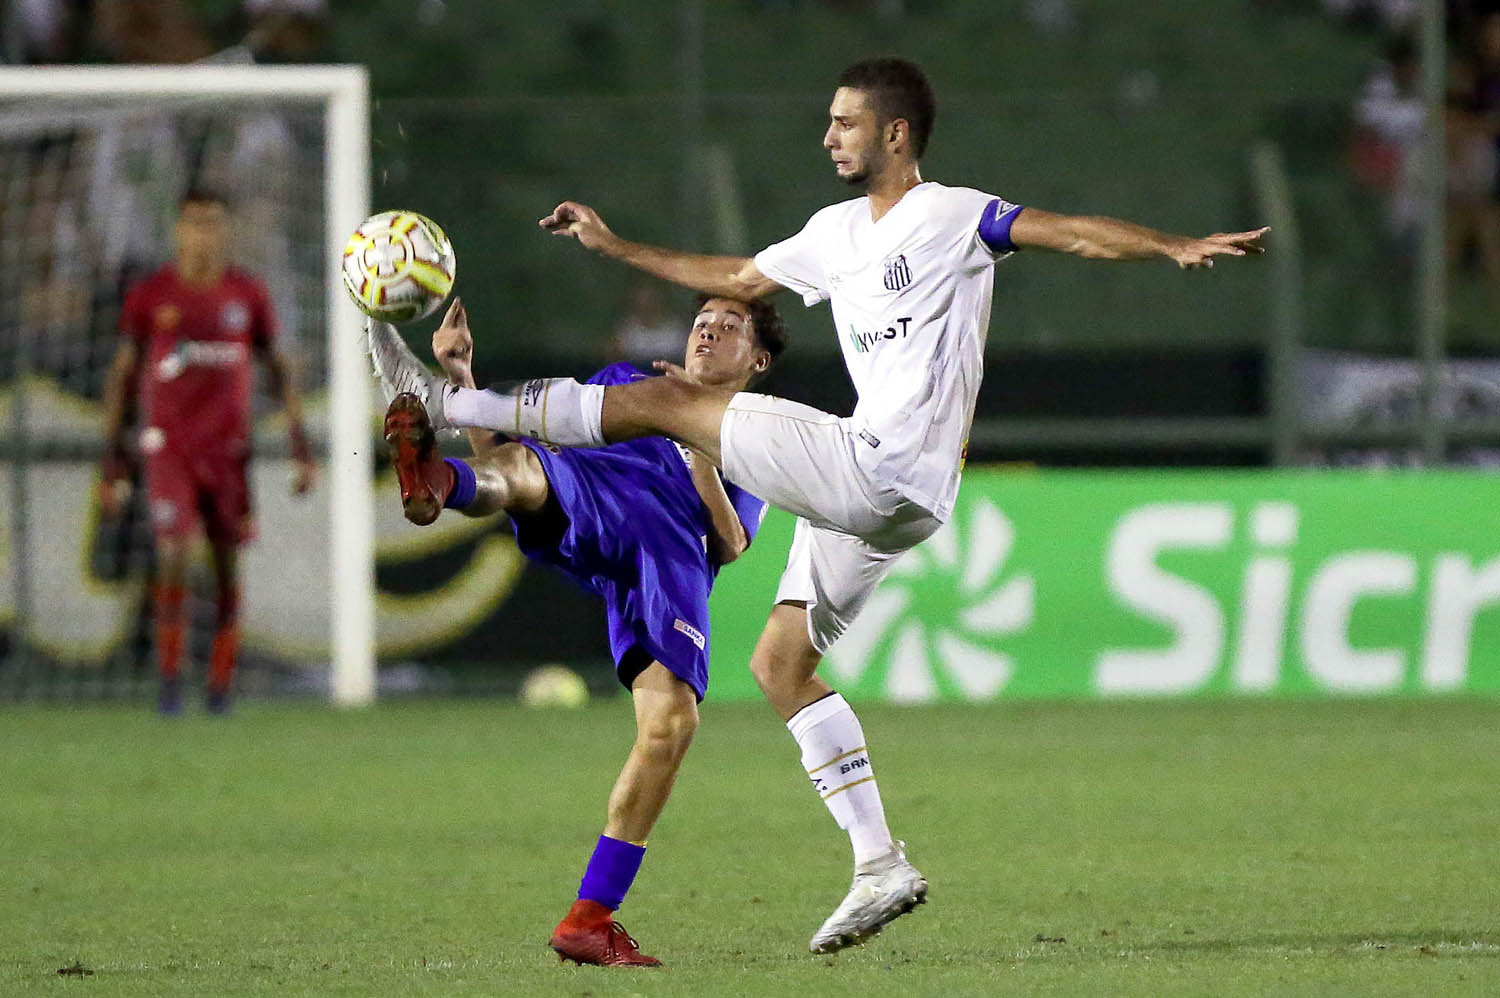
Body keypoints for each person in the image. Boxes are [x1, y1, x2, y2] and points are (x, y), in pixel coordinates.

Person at [373, 56, 1268, 954]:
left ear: (894, 134)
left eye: (844, 122)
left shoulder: (952, 215)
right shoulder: (835, 233)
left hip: (883, 470)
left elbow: (1069, 231)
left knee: (673, 402)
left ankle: (447, 404)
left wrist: (1168, 245)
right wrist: (618, 247)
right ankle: (880, 863)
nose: (828, 135)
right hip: (891, 496)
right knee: (778, 663)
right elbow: (736, 271)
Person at [370, 293, 784, 967]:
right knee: (525, 467)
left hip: (664, 554)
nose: (707, 330)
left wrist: (695, 438)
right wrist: (468, 382)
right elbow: (517, 450)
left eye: (729, 326)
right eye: (702, 321)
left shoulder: (755, 433)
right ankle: (434, 482)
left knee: (670, 725)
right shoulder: (626, 383)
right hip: (591, 495)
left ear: (757, 360)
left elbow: (732, 541)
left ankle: (588, 920)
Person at [99, 186, 316, 715]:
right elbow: (122, 378)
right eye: (195, 222)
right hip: (169, 450)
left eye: (214, 222)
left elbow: (278, 369)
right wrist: (112, 463)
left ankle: (219, 686)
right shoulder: (152, 296)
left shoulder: (247, 294)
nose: (205, 232)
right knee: (172, 556)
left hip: (229, 455)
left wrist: (299, 446)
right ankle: (171, 681)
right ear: (178, 229)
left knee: (224, 567)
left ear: (227, 229)